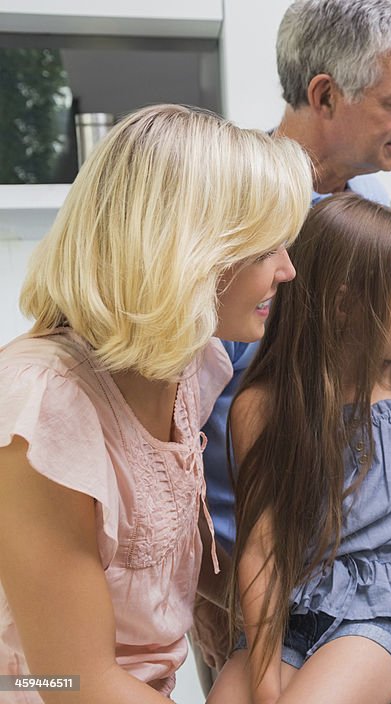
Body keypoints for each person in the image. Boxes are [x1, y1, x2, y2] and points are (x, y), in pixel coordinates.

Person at [0, 104, 311, 703]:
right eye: (266, 248)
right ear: (188, 252)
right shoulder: (43, 409)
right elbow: (76, 681)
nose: (288, 270)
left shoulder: (187, 361)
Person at [195, 0, 391, 679]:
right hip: (248, 584)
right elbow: (180, 422)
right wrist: (211, 588)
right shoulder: (234, 210)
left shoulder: (372, 215)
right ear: (326, 95)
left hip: (354, 587)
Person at [206, 195, 391, 704]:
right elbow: (262, 552)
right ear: (342, 306)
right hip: (289, 615)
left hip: (383, 615)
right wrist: (265, 686)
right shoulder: (262, 406)